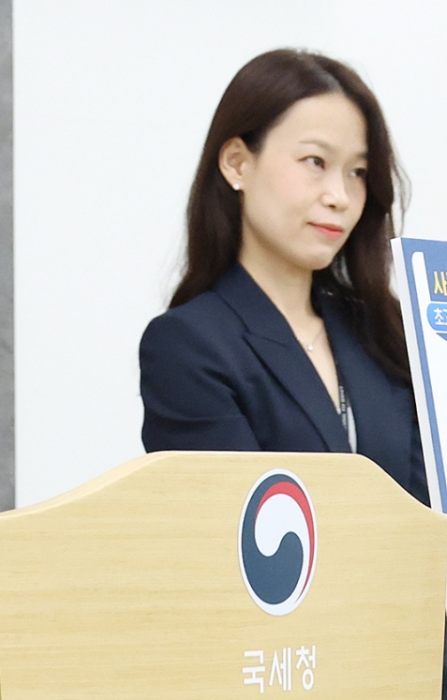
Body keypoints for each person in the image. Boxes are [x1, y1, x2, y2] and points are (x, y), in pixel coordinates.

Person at [139, 48, 426, 501]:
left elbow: (429, 516)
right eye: (315, 162)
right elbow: (234, 527)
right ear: (237, 162)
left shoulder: (384, 333)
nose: (340, 196)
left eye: (357, 172)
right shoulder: (188, 345)